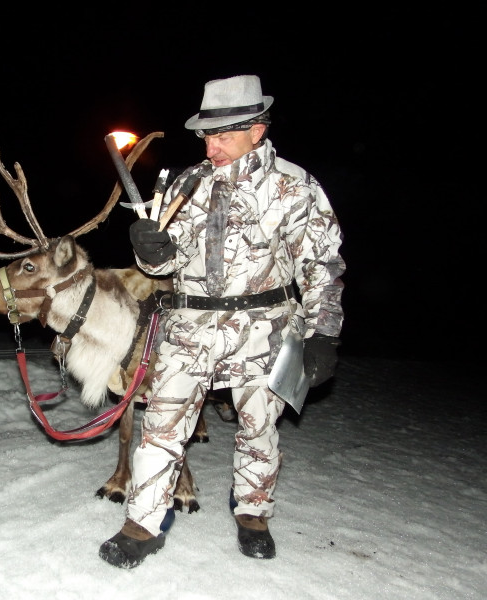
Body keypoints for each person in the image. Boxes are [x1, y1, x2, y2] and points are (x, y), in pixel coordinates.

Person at [98, 74, 345, 567]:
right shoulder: (185, 183)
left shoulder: (294, 187)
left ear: (259, 129)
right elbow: (162, 264)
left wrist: (324, 333)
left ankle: (253, 513)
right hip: (190, 328)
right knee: (162, 424)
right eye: (207, 135)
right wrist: (151, 252)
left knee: (259, 427)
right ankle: (142, 523)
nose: (212, 146)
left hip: (265, 328)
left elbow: (322, 264)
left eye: (225, 134)